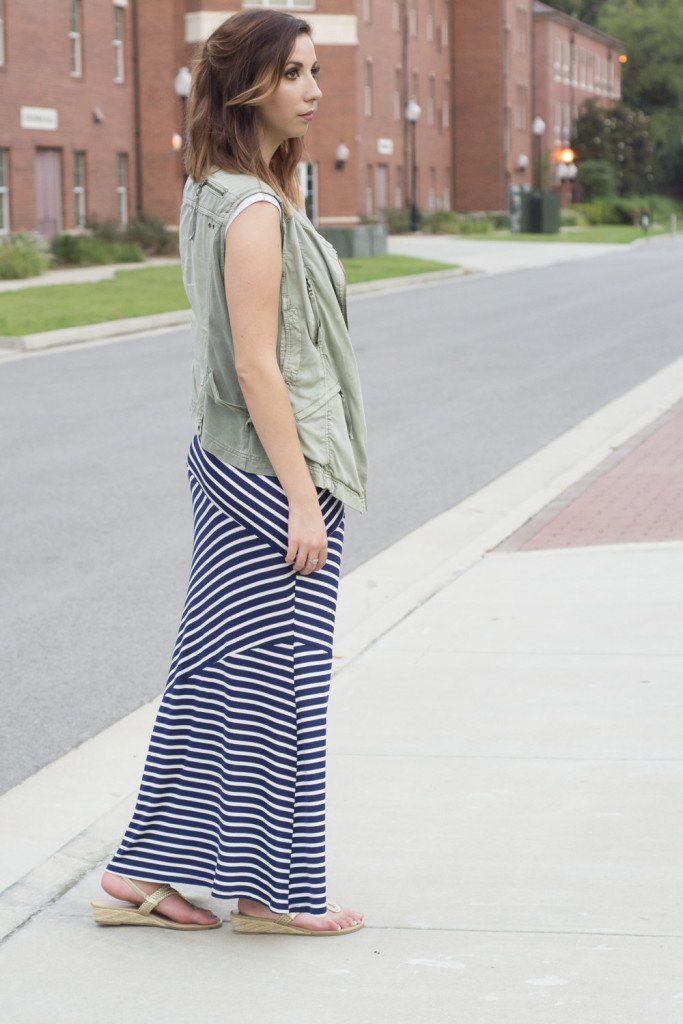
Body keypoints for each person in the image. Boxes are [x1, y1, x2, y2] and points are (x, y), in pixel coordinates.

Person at [90, 8, 368, 937]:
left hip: (229, 463)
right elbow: (257, 365)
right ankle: (270, 891)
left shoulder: (225, 188)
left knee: (215, 678)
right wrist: (302, 500)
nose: (314, 91)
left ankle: (143, 873)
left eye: (314, 71)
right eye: (294, 74)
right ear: (251, 85)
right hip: (269, 476)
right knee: (283, 684)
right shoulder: (252, 211)